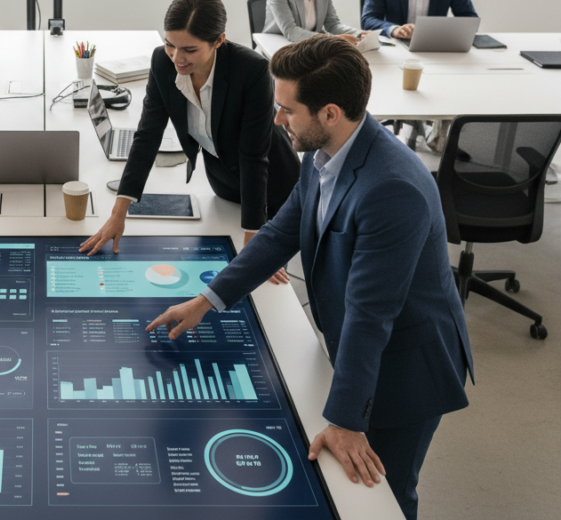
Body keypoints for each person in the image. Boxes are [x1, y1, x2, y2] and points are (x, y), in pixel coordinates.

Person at [143, 35, 473, 520]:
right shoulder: (323, 154)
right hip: (362, 347)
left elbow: (370, 314)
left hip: (406, 368)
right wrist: (206, 300)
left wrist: (343, 420)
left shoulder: (392, 189)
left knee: (382, 498)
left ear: (330, 113)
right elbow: (282, 233)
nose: (277, 120)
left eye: (287, 110)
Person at [79, 0, 301, 258]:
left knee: (263, 282)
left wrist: (254, 237)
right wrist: (118, 213)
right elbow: (148, 136)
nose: (177, 58)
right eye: (170, 44)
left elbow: (254, 157)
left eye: (190, 49)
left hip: (273, 189)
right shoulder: (162, 61)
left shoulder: (252, 70)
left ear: (219, 40)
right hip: (223, 185)